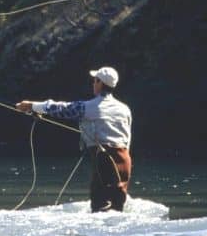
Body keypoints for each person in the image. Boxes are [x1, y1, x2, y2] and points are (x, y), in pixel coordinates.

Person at [15, 67, 132, 212]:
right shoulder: (125, 109)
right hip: (125, 160)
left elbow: (60, 109)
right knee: (117, 206)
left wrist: (31, 106)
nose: (93, 84)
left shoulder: (87, 107)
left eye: (95, 81)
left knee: (100, 207)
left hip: (103, 160)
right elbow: (127, 138)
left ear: (100, 83)